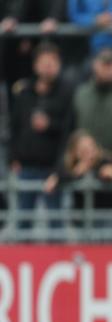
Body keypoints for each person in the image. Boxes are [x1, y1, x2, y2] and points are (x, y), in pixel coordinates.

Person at [9, 42, 72, 229]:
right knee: (23, 220)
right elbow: (14, 127)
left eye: (52, 62)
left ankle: (59, 257)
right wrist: (13, 157)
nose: (48, 67)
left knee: (56, 222)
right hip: (27, 166)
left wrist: (49, 125)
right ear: (35, 65)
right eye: (44, 62)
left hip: (51, 168)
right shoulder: (24, 92)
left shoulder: (66, 93)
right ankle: (22, 258)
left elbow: (69, 131)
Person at [44, 129, 112, 228]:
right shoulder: (69, 165)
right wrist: (75, 173)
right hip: (80, 218)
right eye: (84, 150)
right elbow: (58, 176)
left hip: (106, 216)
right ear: (75, 153)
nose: (90, 154)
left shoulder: (106, 160)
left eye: (92, 148)